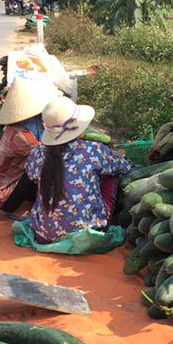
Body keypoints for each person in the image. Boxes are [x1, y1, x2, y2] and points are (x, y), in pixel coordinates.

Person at [25, 97, 132, 244]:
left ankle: (52, 220)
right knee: (111, 175)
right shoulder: (94, 150)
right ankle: (101, 219)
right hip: (90, 234)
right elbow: (124, 167)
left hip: (43, 235)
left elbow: (31, 176)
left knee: (47, 179)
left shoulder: (37, 153)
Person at [0, 77, 59, 212]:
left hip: (13, 184)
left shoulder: (32, 125)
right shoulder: (19, 135)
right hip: (4, 197)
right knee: (47, 168)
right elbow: (45, 155)